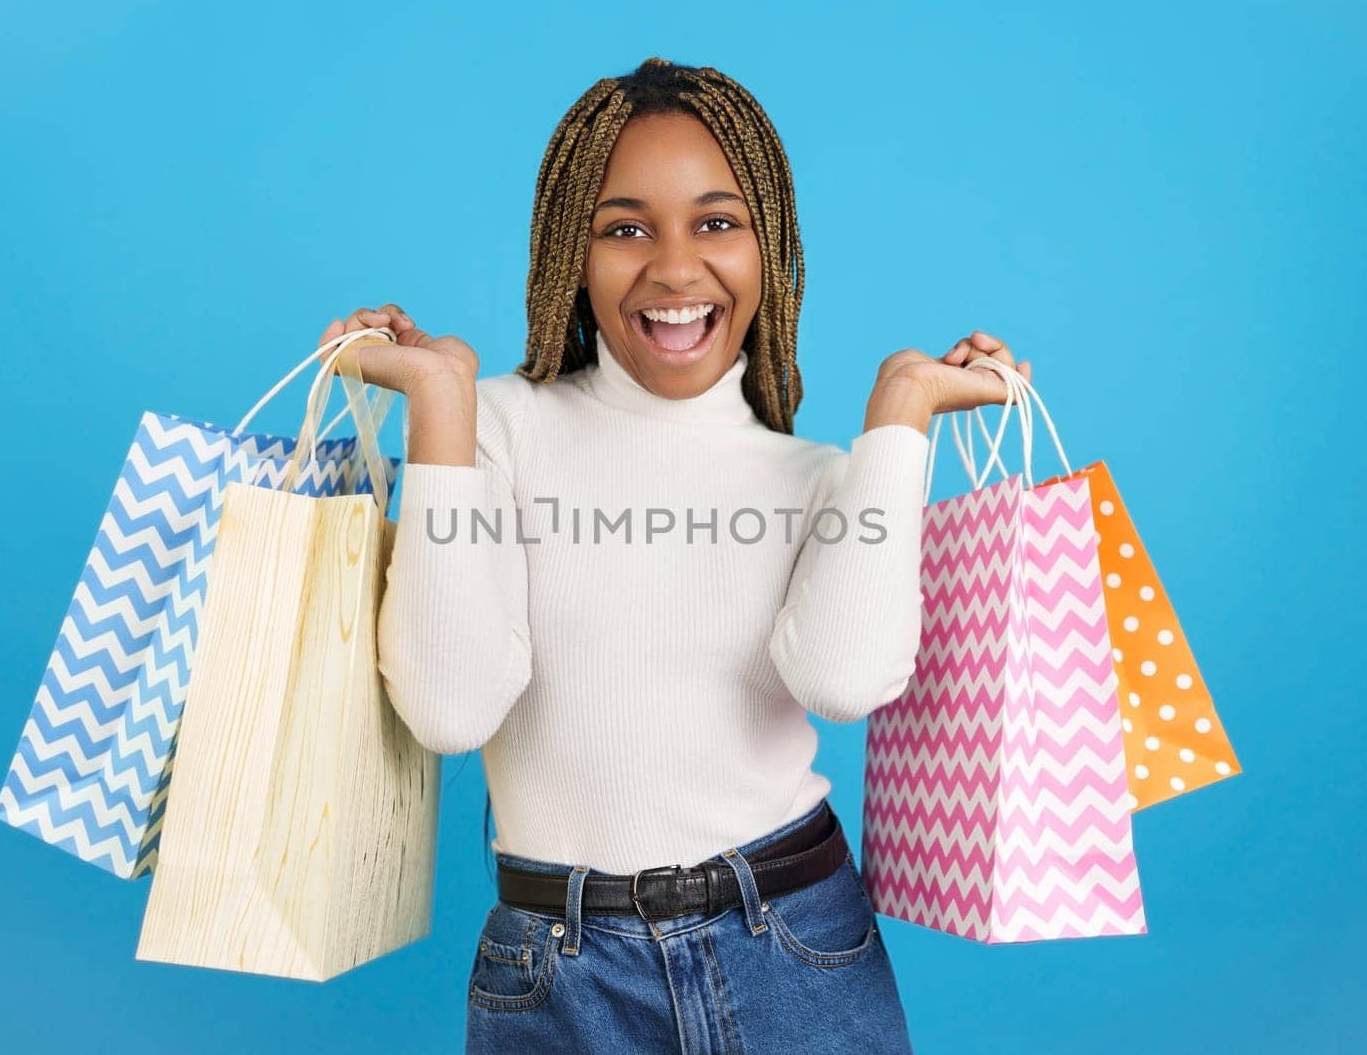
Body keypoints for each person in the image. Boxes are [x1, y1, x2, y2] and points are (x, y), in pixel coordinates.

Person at [323, 57, 1030, 1054]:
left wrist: (901, 415)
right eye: (623, 229)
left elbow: (842, 679)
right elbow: (449, 708)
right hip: (559, 975)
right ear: (570, 251)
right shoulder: (495, 430)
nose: (673, 268)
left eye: (715, 222)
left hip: (794, 941)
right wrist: (441, 401)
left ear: (767, 246)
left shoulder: (825, 477)